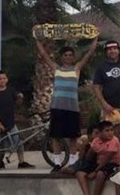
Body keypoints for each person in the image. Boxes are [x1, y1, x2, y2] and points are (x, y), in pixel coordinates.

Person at [35, 37, 98, 171]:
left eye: (70, 55)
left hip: (72, 108)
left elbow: (89, 53)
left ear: (73, 57)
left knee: (73, 137)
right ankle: (57, 164)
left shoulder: (76, 69)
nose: (68, 57)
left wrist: (95, 38)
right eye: (66, 55)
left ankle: (73, 164)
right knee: (56, 136)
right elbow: (44, 55)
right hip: (57, 108)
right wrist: (38, 39)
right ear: (62, 57)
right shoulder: (56, 68)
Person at [0, 70, 34, 169]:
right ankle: (0, 162)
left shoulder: (11, 91)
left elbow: (17, 103)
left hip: (10, 123)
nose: (2, 80)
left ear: (7, 79)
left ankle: (21, 162)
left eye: (4, 78)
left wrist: (20, 98)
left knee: (18, 143)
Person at [76, 120, 120, 195]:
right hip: (99, 163)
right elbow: (88, 157)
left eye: (111, 130)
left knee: (100, 174)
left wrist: (95, 171)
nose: (110, 133)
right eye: (107, 131)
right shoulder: (96, 140)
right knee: (80, 173)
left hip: (112, 163)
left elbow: (107, 159)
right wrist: (86, 148)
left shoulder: (114, 140)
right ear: (100, 133)